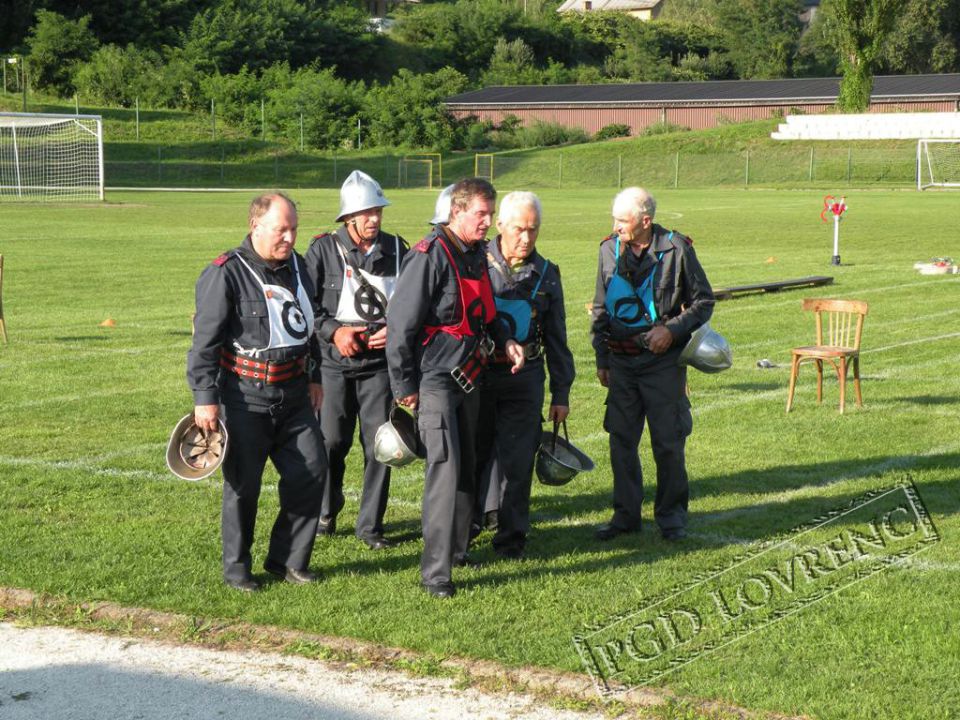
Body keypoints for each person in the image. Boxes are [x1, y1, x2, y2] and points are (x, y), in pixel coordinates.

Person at [386, 178, 525, 599]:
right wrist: (404, 385)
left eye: (490, 213)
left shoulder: (475, 256)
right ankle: (436, 573)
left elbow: (487, 314)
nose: (488, 222)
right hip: (436, 381)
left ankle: (458, 550)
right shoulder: (429, 256)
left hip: (472, 376)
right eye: (481, 214)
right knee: (445, 471)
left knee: (468, 467)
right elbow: (400, 325)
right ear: (457, 211)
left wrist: (506, 341)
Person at [187, 192, 326, 592]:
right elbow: (204, 344)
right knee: (243, 485)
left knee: (311, 470)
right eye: (281, 228)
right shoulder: (225, 272)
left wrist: (314, 375)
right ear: (255, 226)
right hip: (243, 396)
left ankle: (288, 560)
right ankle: (237, 569)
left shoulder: (300, 267)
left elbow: (308, 324)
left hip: (295, 394)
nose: (289, 236)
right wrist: (204, 398)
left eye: (294, 229)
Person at [591, 187, 714, 542]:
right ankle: (625, 516)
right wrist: (602, 356)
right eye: (613, 218)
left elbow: (703, 301)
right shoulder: (607, 250)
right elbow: (600, 308)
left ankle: (672, 516)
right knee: (621, 441)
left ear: (646, 221)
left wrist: (672, 331)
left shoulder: (678, 249)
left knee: (668, 442)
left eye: (622, 220)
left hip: (663, 364)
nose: (616, 226)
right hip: (621, 363)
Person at [303, 171, 406, 550]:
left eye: (377, 211)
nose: (374, 219)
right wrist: (334, 331)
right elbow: (304, 308)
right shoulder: (322, 250)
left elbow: (413, 304)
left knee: (381, 444)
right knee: (330, 441)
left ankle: (370, 526)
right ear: (348, 217)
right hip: (333, 362)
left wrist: (394, 329)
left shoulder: (399, 249)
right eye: (366, 213)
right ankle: (326, 511)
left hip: (379, 366)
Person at [474, 191, 575, 559]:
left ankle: (512, 536)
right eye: (519, 228)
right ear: (500, 224)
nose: (526, 238)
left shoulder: (548, 274)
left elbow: (557, 338)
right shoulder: (474, 262)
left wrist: (561, 393)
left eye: (533, 230)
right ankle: (469, 523)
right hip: (478, 376)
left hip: (525, 378)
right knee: (475, 453)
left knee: (518, 460)